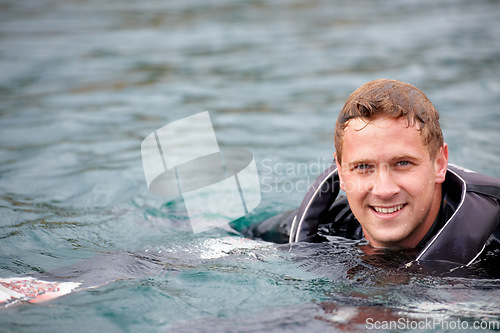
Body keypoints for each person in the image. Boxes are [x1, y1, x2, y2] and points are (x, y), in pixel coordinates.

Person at [247, 79, 500, 267]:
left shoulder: (492, 253)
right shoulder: (326, 228)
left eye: (402, 163)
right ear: (342, 174)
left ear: (440, 164)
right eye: (363, 167)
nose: (384, 190)